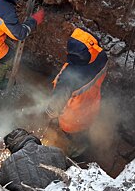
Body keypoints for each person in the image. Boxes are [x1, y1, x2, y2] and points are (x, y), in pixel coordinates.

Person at [45, 28, 108, 157]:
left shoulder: (69, 77)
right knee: (84, 128)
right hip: (92, 105)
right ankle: (82, 143)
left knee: (73, 132)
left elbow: (56, 105)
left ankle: (79, 149)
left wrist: (50, 114)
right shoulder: (101, 56)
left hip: (72, 117)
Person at [0, 128, 70, 191]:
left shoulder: (8, 164)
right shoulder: (57, 152)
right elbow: (75, 174)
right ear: (29, 137)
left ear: (11, 146)